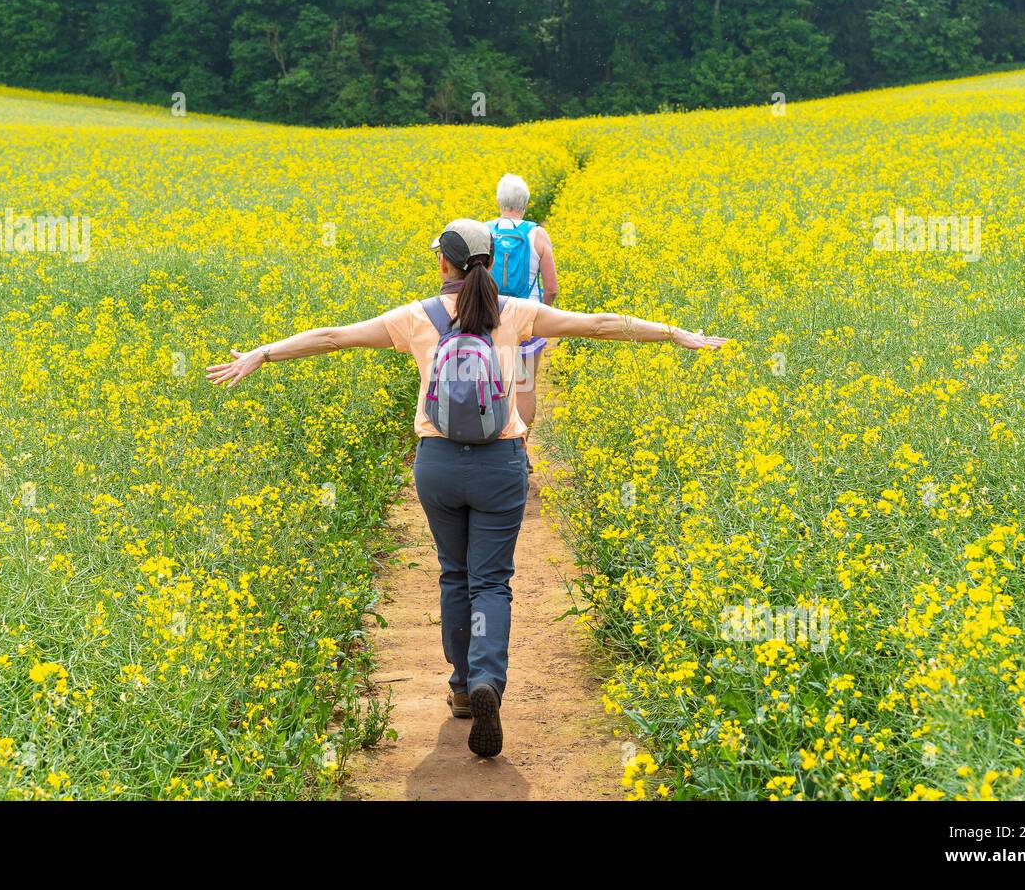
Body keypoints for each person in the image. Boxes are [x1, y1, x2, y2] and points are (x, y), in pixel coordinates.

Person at [206, 218, 727, 758]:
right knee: (492, 581)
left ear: (443, 264)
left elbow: (333, 338)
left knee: (454, 574)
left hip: (439, 466)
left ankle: (461, 687)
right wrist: (674, 334)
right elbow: (598, 324)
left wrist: (263, 352)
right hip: (499, 465)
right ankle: (486, 681)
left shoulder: (417, 318)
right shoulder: (516, 314)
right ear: (490, 264)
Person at [487, 174, 557, 447]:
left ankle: (492, 444)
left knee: (491, 382)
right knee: (525, 386)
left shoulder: (484, 231)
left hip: (489, 319)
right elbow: (551, 288)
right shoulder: (537, 234)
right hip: (528, 319)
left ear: (499, 201)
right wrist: (541, 315)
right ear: (526, 203)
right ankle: (521, 448)